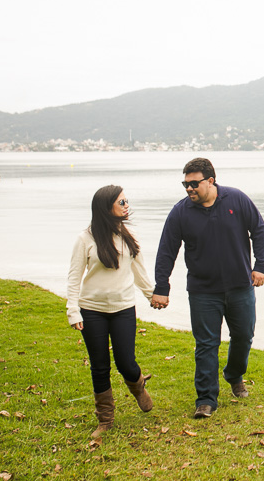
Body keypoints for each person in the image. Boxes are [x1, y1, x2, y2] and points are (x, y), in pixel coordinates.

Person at [151, 157, 264, 419]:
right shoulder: (180, 212)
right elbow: (166, 251)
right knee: (206, 344)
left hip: (240, 287)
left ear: (211, 181)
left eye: (194, 183)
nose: (189, 188)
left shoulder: (237, 199)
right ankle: (206, 399)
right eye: (185, 184)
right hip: (203, 291)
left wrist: (260, 266)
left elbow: (259, 230)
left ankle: (234, 375)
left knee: (244, 336)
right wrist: (162, 287)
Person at [67, 185, 155, 439]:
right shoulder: (85, 239)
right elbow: (74, 276)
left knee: (126, 362)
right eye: (121, 202)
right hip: (91, 310)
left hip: (123, 308)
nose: (127, 205)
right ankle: (105, 419)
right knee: (99, 366)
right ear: (106, 208)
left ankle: (138, 385)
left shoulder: (129, 236)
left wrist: (152, 296)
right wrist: (73, 310)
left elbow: (140, 272)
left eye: (127, 201)